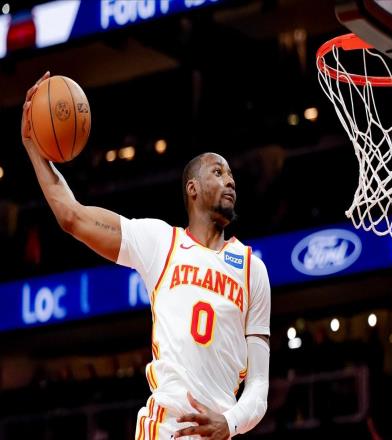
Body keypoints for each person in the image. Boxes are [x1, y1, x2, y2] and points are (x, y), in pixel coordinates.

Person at [21, 72, 271, 440]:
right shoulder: (161, 243)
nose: (230, 180)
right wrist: (33, 147)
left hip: (220, 432)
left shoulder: (253, 270)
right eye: (218, 172)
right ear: (193, 189)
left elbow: (259, 387)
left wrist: (229, 423)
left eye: (231, 174)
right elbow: (73, 216)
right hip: (164, 429)